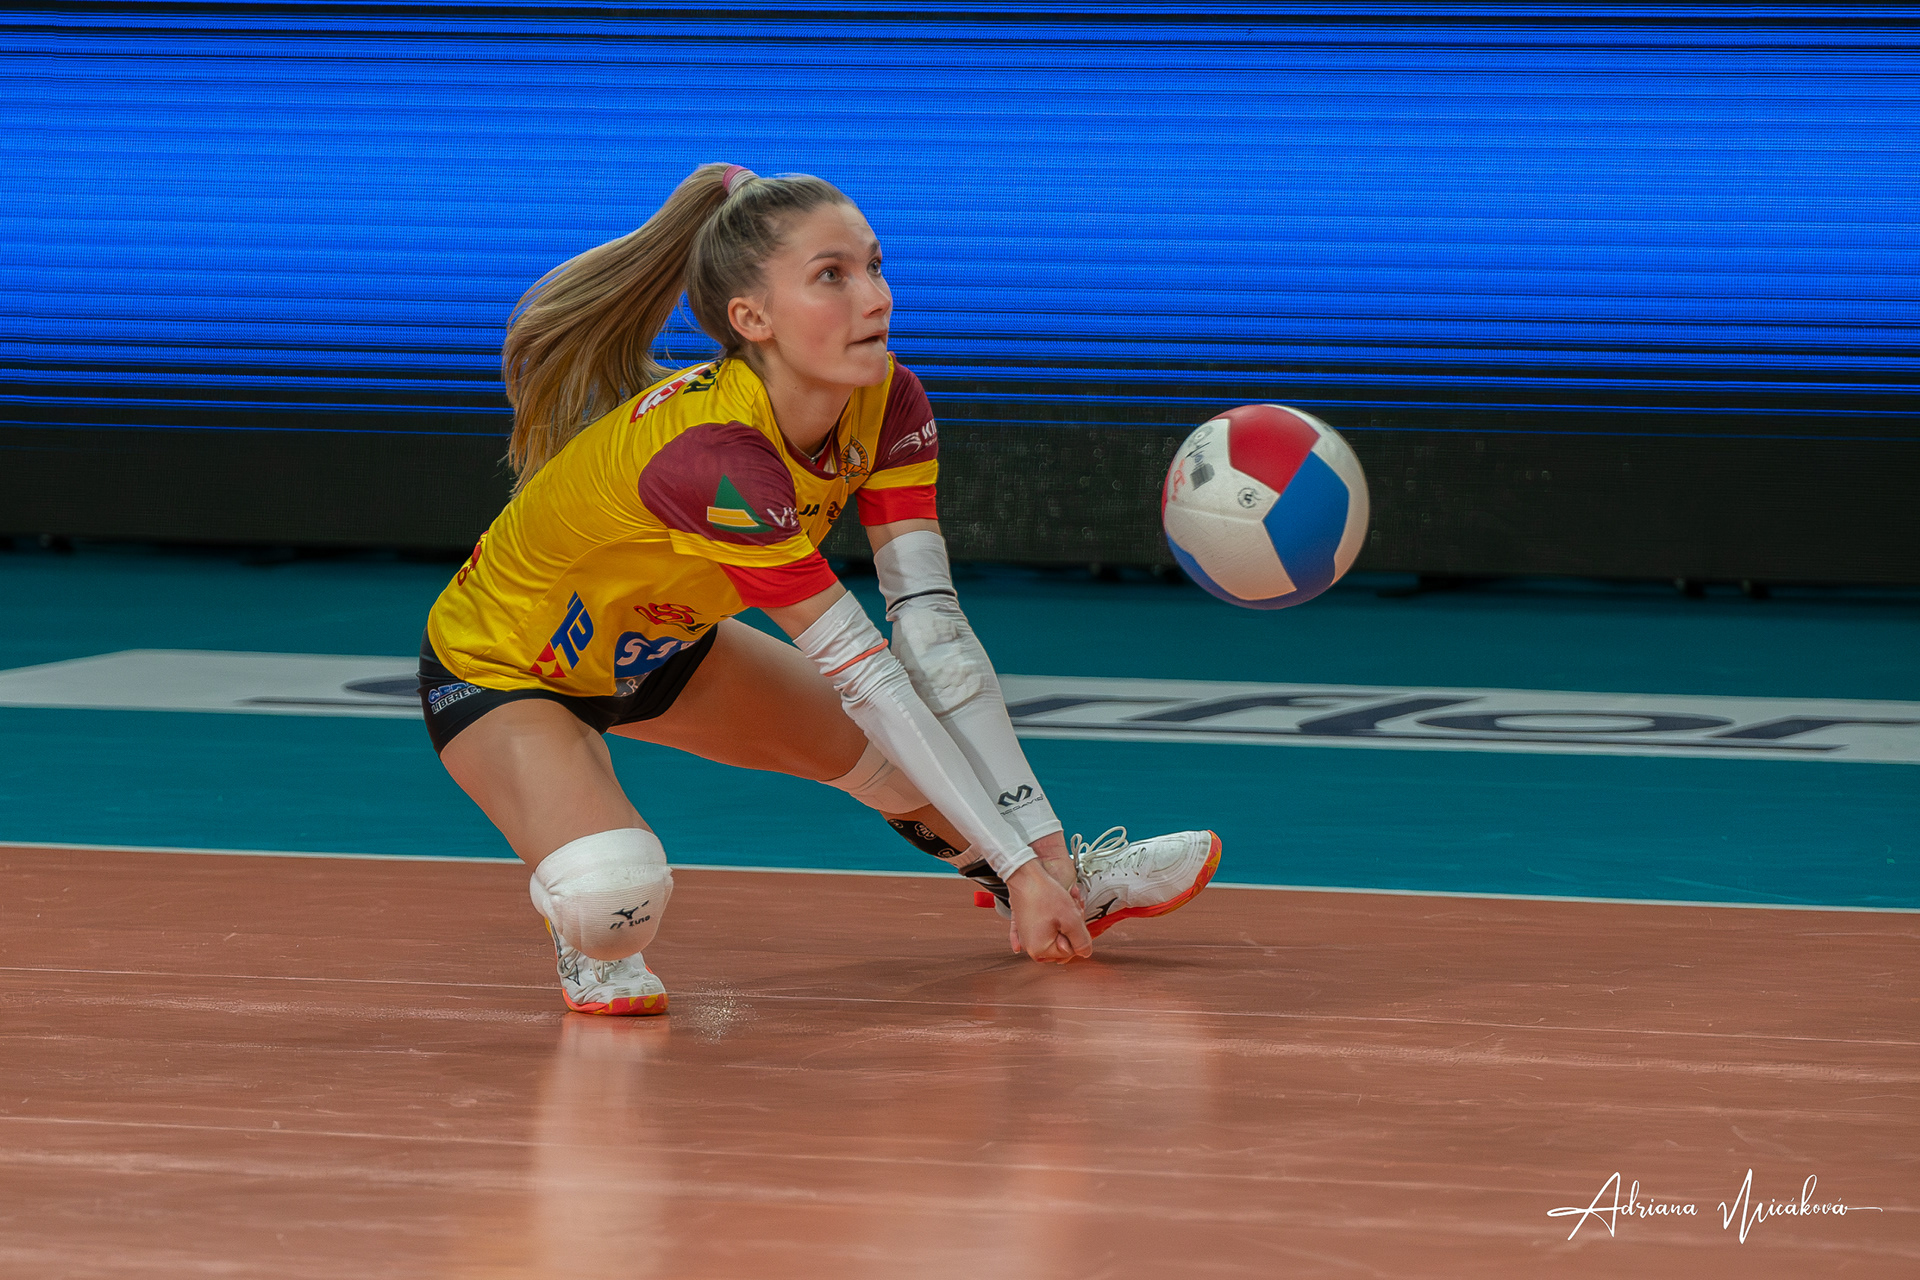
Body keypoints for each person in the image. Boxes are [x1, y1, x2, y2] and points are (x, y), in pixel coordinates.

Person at [416, 163, 1221, 1016]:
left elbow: (933, 633)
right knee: (614, 899)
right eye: (832, 276)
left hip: (664, 651)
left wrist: (1040, 848)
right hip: (505, 670)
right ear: (751, 318)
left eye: (874, 266)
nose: (875, 298)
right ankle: (576, 916)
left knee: (903, 768)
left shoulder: (888, 399)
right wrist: (1019, 864)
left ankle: (1068, 883)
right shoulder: (713, 458)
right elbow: (867, 674)